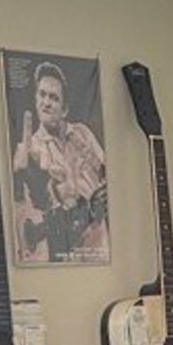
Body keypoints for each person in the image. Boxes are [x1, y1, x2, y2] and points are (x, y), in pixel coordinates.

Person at [11, 60, 107, 261]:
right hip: (64, 255)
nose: (46, 102)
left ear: (65, 109)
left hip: (99, 249)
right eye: (42, 94)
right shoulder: (31, 148)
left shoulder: (82, 133)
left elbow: (106, 173)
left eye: (53, 98)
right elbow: (28, 207)